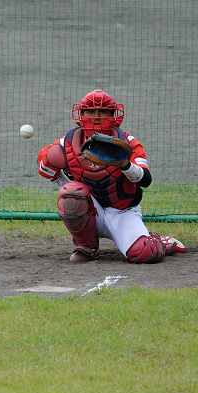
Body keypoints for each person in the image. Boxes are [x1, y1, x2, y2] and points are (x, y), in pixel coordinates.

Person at [36, 89, 186, 263]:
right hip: (91, 212)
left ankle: (159, 242)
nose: (96, 117)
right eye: (90, 111)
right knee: (71, 193)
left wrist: (124, 165)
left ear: (113, 116)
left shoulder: (128, 143)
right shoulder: (67, 144)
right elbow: (46, 168)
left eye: (103, 112)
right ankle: (87, 247)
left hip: (124, 212)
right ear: (81, 114)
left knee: (147, 253)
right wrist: (69, 189)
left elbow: (145, 180)